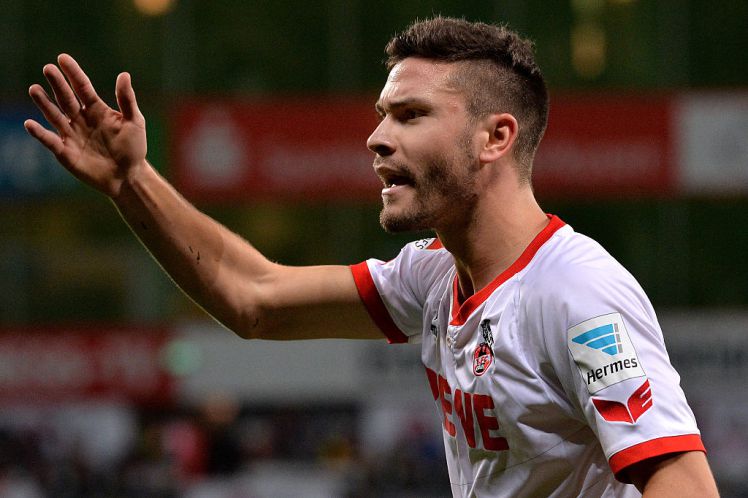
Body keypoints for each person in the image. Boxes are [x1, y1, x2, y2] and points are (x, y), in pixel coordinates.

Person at [25, 16, 719, 498]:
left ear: (494, 137)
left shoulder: (576, 293)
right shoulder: (435, 276)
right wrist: (131, 181)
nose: (376, 138)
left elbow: (681, 481)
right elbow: (255, 299)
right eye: (382, 114)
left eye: (410, 115)